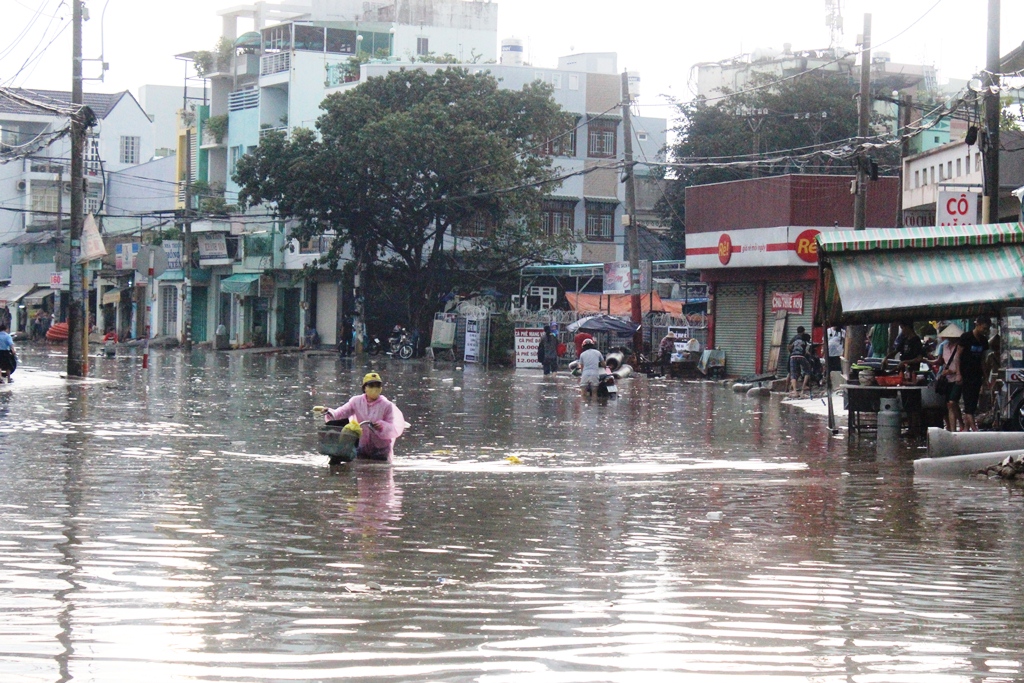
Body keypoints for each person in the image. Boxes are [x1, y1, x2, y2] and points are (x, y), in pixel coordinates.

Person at [319, 372, 408, 461]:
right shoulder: (356, 401)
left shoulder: (387, 405)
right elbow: (341, 413)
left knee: (380, 469)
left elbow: (393, 427)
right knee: (361, 467)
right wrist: (329, 411)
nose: (375, 389)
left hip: (381, 449)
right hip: (362, 447)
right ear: (364, 388)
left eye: (377, 386)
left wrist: (382, 426)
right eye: (371, 385)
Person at [957, 317, 992, 432]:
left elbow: (982, 360)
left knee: (973, 402)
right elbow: (958, 356)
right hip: (966, 374)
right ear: (978, 325)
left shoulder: (983, 340)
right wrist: (958, 373)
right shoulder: (966, 337)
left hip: (977, 375)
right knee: (968, 403)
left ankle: (966, 429)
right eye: (984, 328)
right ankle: (974, 429)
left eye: (987, 329)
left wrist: (985, 377)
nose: (985, 331)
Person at [788, 326, 812, 397]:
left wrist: (791, 352)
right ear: (803, 331)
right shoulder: (805, 338)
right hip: (801, 356)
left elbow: (789, 346)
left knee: (793, 374)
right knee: (808, 370)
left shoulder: (794, 338)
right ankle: (803, 388)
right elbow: (807, 348)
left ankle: (795, 391)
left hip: (792, 356)